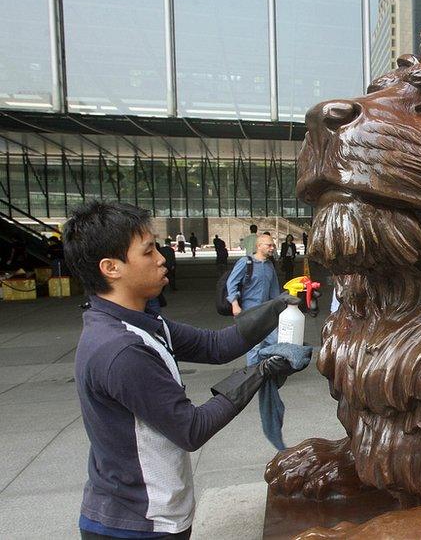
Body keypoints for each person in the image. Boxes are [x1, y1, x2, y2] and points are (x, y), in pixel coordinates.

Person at [62, 201, 308, 539]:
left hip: (149, 515)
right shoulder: (121, 349)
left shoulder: (142, 323)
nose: (162, 258)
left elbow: (216, 346)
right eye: (148, 252)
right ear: (111, 268)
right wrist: (262, 370)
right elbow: (191, 428)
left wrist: (279, 303)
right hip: (134, 525)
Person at [225, 234, 286, 448]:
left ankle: (268, 372)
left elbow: (275, 292)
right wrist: (235, 305)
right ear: (259, 245)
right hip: (250, 314)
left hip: (267, 314)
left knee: (276, 341)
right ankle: (254, 377)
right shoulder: (246, 263)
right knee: (253, 348)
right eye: (269, 245)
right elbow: (232, 284)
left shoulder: (269, 267)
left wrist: (281, 308)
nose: (272, 247)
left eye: (273, 245)